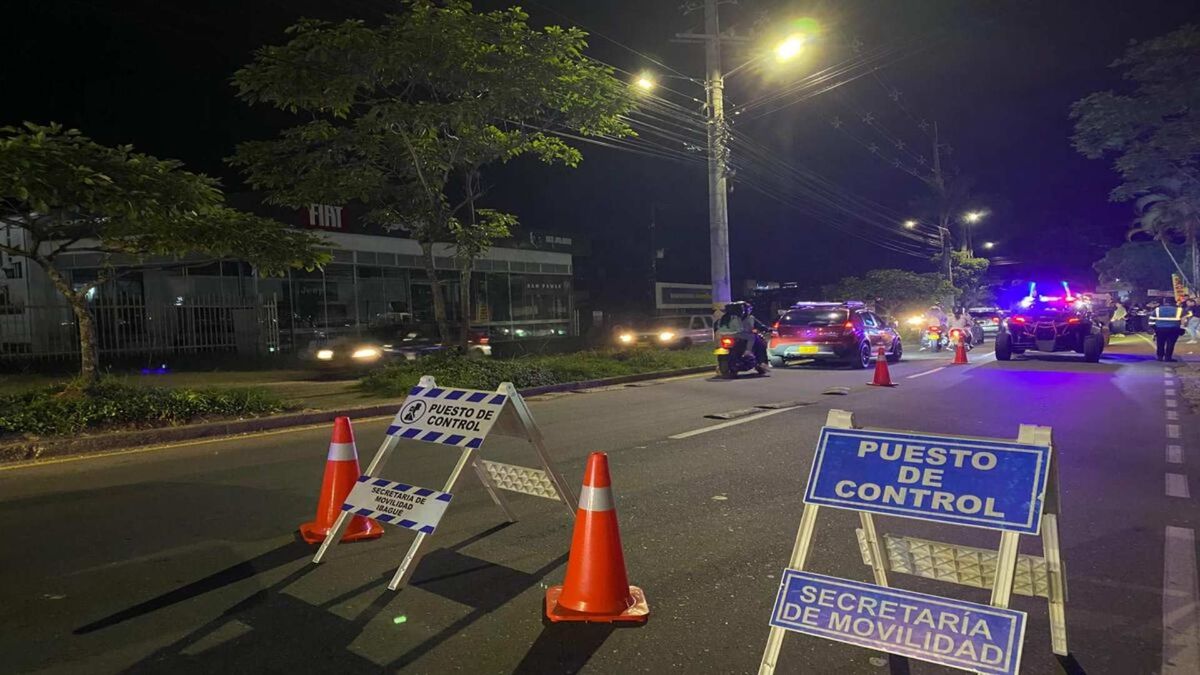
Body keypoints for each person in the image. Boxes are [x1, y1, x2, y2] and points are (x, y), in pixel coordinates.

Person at [715, 301, 769, 374]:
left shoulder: (724, 318)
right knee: (756, 340)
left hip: (725, 336)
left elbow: (717, 327)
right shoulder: (742, 318)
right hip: (738, 336)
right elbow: (741, 329)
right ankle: (757, 358)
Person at [1151, 297, 1189, 362]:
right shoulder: (1179, 310)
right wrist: (1182, 328)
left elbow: (1151, 319)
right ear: (1174, 302)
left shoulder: (1157, 309)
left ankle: (1160, 357)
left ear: (1164, 302)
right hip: (1174, 329)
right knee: (1171, 343)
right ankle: (1168, 357)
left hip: (1160, 329)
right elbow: (1184, 320)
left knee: (1160, 343)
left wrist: (1154, 328)